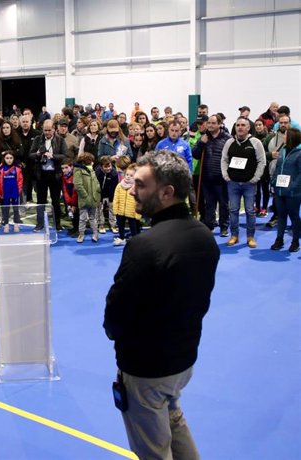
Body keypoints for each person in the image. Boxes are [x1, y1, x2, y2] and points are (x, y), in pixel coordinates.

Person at [103, 150, 220, 459]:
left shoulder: (145, 246)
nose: (131, 190)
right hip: (182, 360)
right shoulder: (204, 237)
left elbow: (115, 315)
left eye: (141, 184)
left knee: (153, 451)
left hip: (146, 370)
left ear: (167, 192)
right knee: (173, 416)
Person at [221, 117, 266, 248]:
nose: (240, 127)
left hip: (249, 184)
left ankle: (250, 237)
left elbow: (261, 162)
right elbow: (224, 159)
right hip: (233, 183)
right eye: (238, 125)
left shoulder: (256, 143)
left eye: (243, 125)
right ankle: (234, 235)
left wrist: (256, 178)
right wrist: (225, 175)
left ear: (248, 128)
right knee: (233, 210)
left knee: (250, 211)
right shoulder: (229, 142)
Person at [270, 128, 301, 252]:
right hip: (279, 190)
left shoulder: (299, 153)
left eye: (286, 135)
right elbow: (278, 167)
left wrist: (293, 186)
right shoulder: (282, 151)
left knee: (294, 216)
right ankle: (279, 239)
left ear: (292, 137)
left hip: (293, 192)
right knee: (281, 215)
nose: (283, 137)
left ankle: (295, 241)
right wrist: (273, 181)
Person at [73, 152, 101, 243]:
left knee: (93, 217)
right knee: (83, 218)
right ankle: (81, 234)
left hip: (94, 199)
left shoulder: (92, 170)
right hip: (84, 200)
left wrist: (97, 192)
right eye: (91, 160)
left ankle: (95, 234)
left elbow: (96, 183)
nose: (93, 162)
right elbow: (78, 185)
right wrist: (85, 196)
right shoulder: (78, 170)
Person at [0, 151, 23, 233]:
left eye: (11, 158)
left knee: (16, 209)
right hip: (5, 192)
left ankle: (16, 224)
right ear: (4, 159)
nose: (9, 160)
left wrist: (19, 191)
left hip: (15, 191)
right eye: (7, 158)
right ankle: (6, 224)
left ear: (13, 159)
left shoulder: (17, 168)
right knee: (5, 209)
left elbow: (20, 180)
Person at [112, 163, 141, 246]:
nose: (128, 176)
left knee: (134, 228)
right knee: (120, 226)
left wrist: (138, 214)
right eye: (127, 174)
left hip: (132, 212)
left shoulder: (137, 187)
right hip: (120, 211)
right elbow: (116, 199)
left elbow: (139, 201)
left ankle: (135, 240)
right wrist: (115, 209)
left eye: (131, 175)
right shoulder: (119, 186)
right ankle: (121, 238)